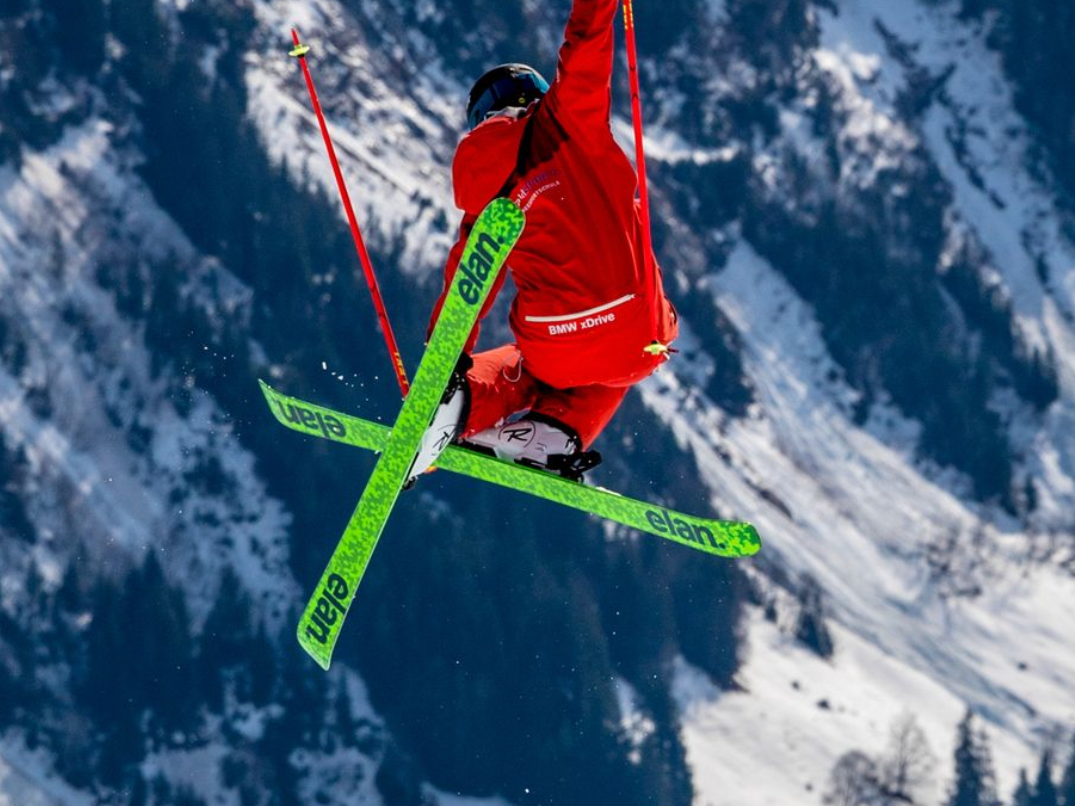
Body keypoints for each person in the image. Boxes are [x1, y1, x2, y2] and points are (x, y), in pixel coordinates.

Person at [409, 0, 678, 484]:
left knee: (530, 366)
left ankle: (456, 406)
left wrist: (441, 362)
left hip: (550, 342)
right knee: (626, 355)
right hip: (640, 330)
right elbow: (586, 40)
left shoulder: (485, 193)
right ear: (533, 96)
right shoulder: (568, 117)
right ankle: (557, 431)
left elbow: (468, 284)